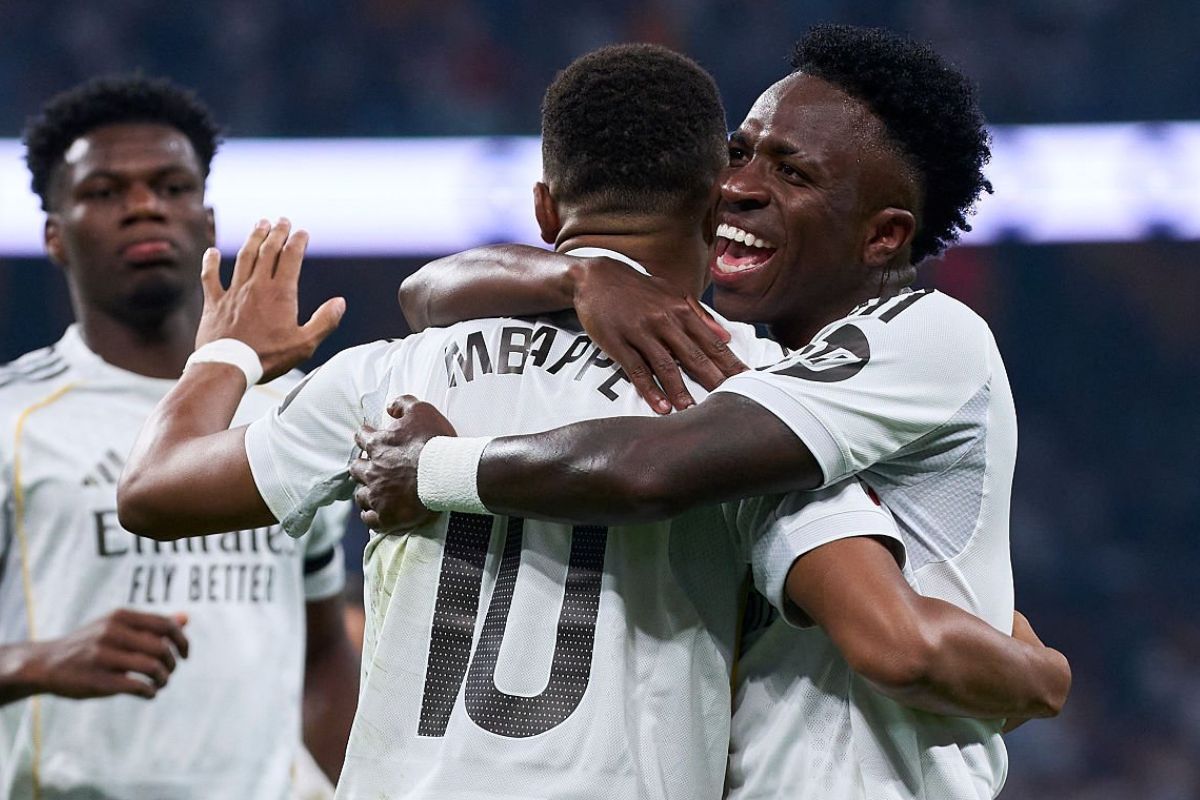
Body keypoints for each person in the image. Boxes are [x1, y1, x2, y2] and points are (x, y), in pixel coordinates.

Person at [116, 45, 1065, 799]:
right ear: (710, 206)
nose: (746, 186)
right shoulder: (742, 395)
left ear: (541, 207)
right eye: (740, 157)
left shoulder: (394, 374)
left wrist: (227, 354)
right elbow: (892, 637)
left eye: (787, 169)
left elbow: (154, 492)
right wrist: (1036, 673)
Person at [0, 76, 357, 799]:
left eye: (170, 185)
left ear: (208, 219)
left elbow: (325, 649)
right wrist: (33, 662)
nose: (143, 207)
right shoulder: (14, 413)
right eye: (104, 192)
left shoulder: (293, 416)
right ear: (54, 235)